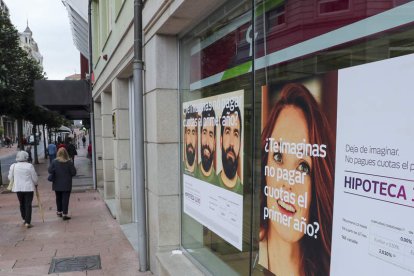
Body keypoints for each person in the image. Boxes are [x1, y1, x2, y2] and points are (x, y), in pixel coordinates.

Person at [259, 83, 334, 276]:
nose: (288, 182)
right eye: (278, 157)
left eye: (303, 167)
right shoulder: (248, 250)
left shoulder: (328, 268)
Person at [217, 99, 243, 194]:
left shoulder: (245, 191)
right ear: (220, 141)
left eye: (236, 134)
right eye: (227, 132)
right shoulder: (211, 183)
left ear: (240, 144)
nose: (232, 142)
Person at [8, 151, 38, 228]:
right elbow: (34, 177)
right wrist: (36, 183)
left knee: (21, 203)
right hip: (28, 188)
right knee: (28, 204)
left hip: (18, 188)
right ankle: (28, 222)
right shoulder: (29, 166)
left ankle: (24, 218)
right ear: (26, 157)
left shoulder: (13, 166)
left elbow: (10, 177)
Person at [48, 148, 77, 220]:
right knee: (65, 199)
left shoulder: (54, 162)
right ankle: (65, 213)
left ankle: (59, 211)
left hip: (57, 183)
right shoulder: (69, 162)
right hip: (67, 184)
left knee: (58, 198)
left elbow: (49, 170)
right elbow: (73, 173)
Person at [198, 103, 218, 183]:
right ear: (200, 136)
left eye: (210, 134)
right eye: (204, 132)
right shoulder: (191, 173)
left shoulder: (219, 182)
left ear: (214, 142)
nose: (206, 142)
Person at [183, 105, 199, 177]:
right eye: (188, 132)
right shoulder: (181, 166)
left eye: (193, 132)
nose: (190, 139)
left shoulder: (200, 171)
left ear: (196, 137)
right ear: (185, 135)